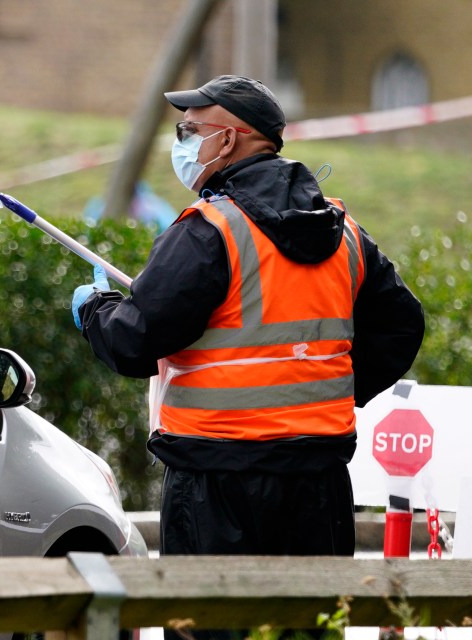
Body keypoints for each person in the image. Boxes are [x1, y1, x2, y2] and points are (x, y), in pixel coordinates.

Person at [71, 75, 424, 557]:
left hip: (217, 483)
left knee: (211, 627)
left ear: (229, 139)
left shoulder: (208, 229)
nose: (184, 143)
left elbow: (136, 342)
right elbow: (402, 325)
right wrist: (331, 388)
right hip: (319, 480)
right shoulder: (345, 233)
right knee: (306, 625)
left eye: (190, 131)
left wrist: (96, 308)